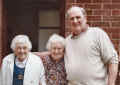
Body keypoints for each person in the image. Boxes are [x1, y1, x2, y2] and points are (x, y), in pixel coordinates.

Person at [65, 6, 118, 85]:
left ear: (85, 18)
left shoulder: (97, 34)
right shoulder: (66, 41)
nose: (75, 21)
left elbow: (112, 60)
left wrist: (111, 83)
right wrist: (39, 54)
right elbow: (54, 53)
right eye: (72, 18)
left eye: (78, 17)